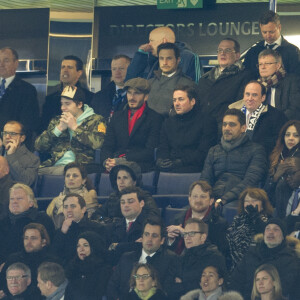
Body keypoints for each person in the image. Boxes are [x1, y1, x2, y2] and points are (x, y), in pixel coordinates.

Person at [200, 109, 267, 206]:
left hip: (240, 199)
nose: (227, 128)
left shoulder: (256, 150)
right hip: (214, 197)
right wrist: (205, 198)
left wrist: (224, 199)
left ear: (243, 128)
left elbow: (250, 181)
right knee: (185, 214)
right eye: (224, 124)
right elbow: (205, 180)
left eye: (232, 125)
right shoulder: (213, 151)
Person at [35, 85, 106, 175]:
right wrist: (58, 129)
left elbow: (98, 144)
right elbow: (38, 146)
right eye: (62, 103)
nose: (62, 108)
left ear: (80, 104)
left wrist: (75, 128)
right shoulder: (57, 120)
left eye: (67, 104)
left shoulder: (96, 120)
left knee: (64, 173)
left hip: (80, 167)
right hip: (54, 164)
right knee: (32, 174)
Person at [101, 78, 163, 173]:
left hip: (140, 166)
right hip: (114, 163)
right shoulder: (117, 116)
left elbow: (149, 151)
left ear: (146, 97)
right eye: (129, 93)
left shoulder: (154, 118)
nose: (131, 97)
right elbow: (107, 146)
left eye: (137, 93)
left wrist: (122, 161)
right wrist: (107, 162)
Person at [107, 218, 176, 300]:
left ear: (162, 240)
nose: (149, 239)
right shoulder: (126, 258)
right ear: (142, 237)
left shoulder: (171, 260)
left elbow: (168, 292)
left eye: (154, 236)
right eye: (146, 234)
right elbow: (112, 286)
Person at [230, 218, 300, 300]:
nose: (270, 232)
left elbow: (286, 288)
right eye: (267, 229)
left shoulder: (291, 259)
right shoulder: (251, 254)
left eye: (276, 229)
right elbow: (236, 281)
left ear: (283, 237)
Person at [156, 85, 217, 172]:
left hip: (194, 168)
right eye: (174, 100)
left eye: (181, 99)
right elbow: (163, 147)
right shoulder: (168, 122)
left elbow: (204, 152)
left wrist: (180, 162)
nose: (176, 104)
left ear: (192, 101)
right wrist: (161, 160)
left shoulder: (207, 121)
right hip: (171, 167)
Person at [165, 218, 227, 300]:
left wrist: (181, 283)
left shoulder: (215, 257)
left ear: (203, 237)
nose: (187, 238)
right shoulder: (182, 257)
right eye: (185, 234)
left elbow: (205, 287)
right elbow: (168, 285)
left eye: (192, 233)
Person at [198, 38, 253, 126]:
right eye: (220, 50)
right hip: (203, 128)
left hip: (226, 127)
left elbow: (240, 105)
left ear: (237, 55)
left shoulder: (244, 76)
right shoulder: (204, 79)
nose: (222, 53)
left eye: (228, 50)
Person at [167, 180, 228, 256]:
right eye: (195, 196)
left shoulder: (219, 224)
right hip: (176, 263)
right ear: (189, 198)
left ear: (211, 201)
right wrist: (170, 240)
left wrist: (186, 234)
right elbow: (168, 250)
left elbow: (218, 254)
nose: (198, 200)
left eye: (203, 196)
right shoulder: (177, 218)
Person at [229, 80, 287, 156]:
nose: (250, 98)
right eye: (247, 94)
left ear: (263, 98)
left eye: (254, 95)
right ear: (243, 96)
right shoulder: (232, 113)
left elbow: (278, 144)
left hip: (261, 159)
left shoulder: (276, 116)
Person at [0, 183, 55, 263]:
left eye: (19, 198)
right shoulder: (3, 222)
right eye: (12, 199)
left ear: (31, 203)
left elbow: (47, 249)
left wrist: (8, 264)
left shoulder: (42, 220)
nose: (14, 202)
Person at [125, 26, 201, 82]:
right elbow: (130, 81)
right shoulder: (153, 59)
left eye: (152, 41)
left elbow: (198, 86)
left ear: (164, 41)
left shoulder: (189, 57)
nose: (149, 44)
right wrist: (140, 55)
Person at [0, 223, 58, 296]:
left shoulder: (51, 262)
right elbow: (2, 282)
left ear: (43, 241)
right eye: (26, 238)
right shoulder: (13, 258)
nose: (28, 242)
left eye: (33, 238)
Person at [91, 161, 158, 223]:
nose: (121, 182)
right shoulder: (113, 198)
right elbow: (96, 215)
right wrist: (105, 220)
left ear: (134, 182)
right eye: (119, 178)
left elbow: (153, 215)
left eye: (125, 178)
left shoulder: (143, 196)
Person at [40, 55, 94, 132]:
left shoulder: (90, 97)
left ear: (79, 73)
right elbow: (43, 127)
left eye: (70, 67)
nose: (65, 70)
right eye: (63, 67)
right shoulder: (50, 99)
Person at [0, 47, 40, 149]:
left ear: (16, 63)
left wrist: (7, 140)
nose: (1, 64)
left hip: (13, 147)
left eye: (6, 60)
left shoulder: (27, 90)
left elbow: (28, 123)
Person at [51, 193, 106, 266]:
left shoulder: (97, 228)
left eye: (73, 206)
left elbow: (100, 255)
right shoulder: (60, 232)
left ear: (83, 209)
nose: (69, 210)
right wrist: (62, 233)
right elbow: (54, 255)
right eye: (65, 207)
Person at [107, 186, 159, 263]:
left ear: (141, 203)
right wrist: (133, 245)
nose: (126, 205)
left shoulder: (151, 224)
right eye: (123, 202)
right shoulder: (114, 225)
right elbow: (109, 253)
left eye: (130, 201)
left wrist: (117, 246)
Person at [226, 188, 274, 270]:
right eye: (247, 201)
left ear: (262, 205)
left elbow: (266, 235)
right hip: (236, 267)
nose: (250, 204)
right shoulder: (237, 220)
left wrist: (255, 217)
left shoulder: (269, 221)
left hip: (259, 266)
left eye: (254, 200)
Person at [243, 10, 300, 78]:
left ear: (279, 27)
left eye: (271, 32)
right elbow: (246, 75)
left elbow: (296, 77)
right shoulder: (253, 51)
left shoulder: (292, 51)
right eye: (264, 32)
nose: (268, 35)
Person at [146, 43, 197, 117]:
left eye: (169, 58)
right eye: (161, 58)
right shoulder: (149, 83)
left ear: (178, 60)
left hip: (172, 126)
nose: (165, 62)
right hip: (149, 127)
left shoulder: (188, 84)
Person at [46, 162, 98, 229]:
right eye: (67, 176)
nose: (70, 178)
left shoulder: (89, 196)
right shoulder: (56, 200)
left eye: (75, 176)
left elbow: (88, 219)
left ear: (83, 180)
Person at [65, 231, 112, 300]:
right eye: (78, 246)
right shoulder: (73, 267)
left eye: (85, 245)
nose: (81, 249)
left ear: (94, 247)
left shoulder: (104, 270)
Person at [256, 49, 300, 120]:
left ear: (278, 65)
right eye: (260, 64)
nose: (262, 67)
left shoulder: (293, 81)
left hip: (284, 123)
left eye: (267, 63)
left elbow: (295, 109)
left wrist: (276, 121)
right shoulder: (256, 84)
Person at [265, 120, 300, 205]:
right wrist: (276, 176)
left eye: (296, 135)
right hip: (274, 203)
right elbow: (265, 192)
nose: (291, 138)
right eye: (287, 135)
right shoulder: (276, 156)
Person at [91, 54, 131, 121]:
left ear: (130, 70)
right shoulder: (99, 97)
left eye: (121, 68)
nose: (117, 72)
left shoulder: (139, 95)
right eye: (114, 69)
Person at [0, 121, 40, 186]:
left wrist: (11, 156)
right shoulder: (1, 150)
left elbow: (26, 182)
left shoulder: (32, 159)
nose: (7, 137)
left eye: (12, 133)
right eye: (5, 133)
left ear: (22, 138)